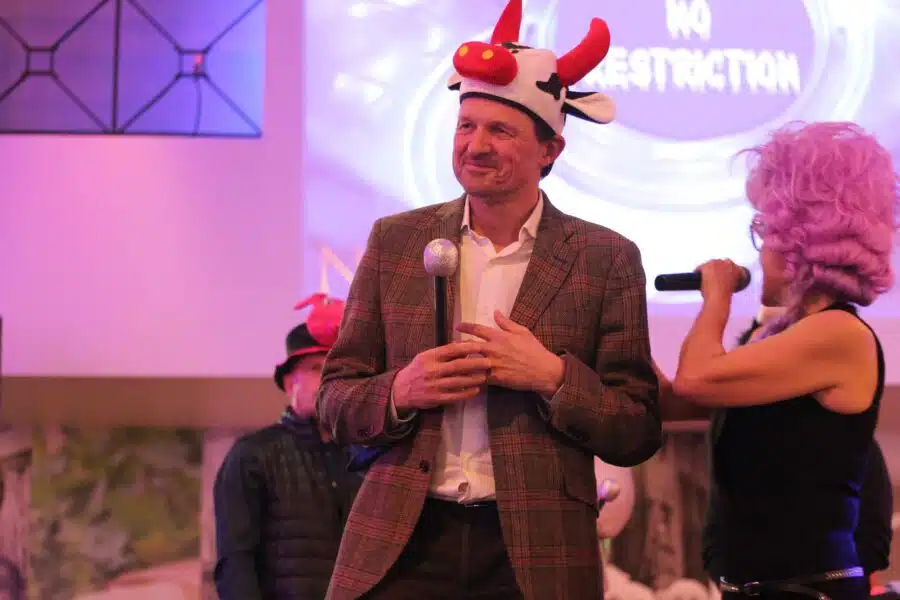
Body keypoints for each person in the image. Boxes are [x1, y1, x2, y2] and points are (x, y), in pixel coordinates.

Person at [316, 1, 662, 599]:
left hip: (537, 551)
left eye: (500, 131)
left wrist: (553, 377)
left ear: (550, 150)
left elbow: (636, 429)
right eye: (466, 126)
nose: (475, 145)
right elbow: (333, 403)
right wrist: (400, 391)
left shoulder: (605, 258)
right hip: (403, 540)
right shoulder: (396, 241)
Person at [662, 121, 898, 600]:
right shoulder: (783, 335)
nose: (760, 249)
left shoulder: (839, 334)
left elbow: (696, 379)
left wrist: (716, 296)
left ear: (801, 241)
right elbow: (689, 398)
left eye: (766, 231)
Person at [213, 294, 362, 600]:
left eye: (339, 370)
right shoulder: (252, 455)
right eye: (317, 368)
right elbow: (236, 561)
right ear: (290, 383)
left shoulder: (370, 458)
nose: (330, 380)